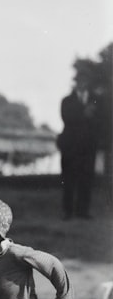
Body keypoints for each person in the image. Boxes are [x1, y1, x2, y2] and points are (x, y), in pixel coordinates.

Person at [58, 71, 99, 219]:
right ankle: (68, 212)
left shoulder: (96, 100)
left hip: (88, 146)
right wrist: (84, 113)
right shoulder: (67, 100)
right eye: (79, 80)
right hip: (70, 146)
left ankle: (83, 211)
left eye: (85, 80)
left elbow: (101, 121)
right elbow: (66, 117)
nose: (82, 82)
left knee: (86, 179)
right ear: (76, 82)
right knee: (69, 179)